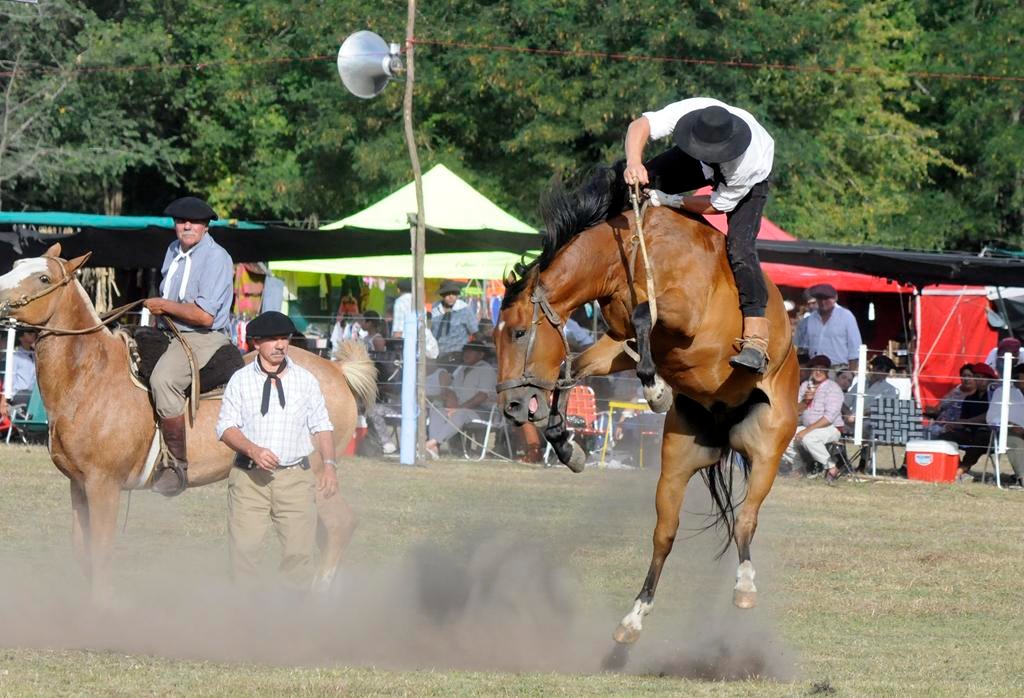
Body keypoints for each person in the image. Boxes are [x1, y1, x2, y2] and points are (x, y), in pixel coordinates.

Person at [623, 97, 774, 373]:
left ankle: (756, 337)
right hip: (700, 163)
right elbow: (640, 125)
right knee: (642, 182)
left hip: (748, 185)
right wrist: (634, 163)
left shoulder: (747, 164)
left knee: (739, 249)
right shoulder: (693, 112)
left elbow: (717, 204)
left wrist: (670, 200)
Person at [216, 311, 338, 591]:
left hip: (295, 478)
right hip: (249, 479)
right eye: (272, 339)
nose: (280, 345)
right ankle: (247, 620)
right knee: (244, 554)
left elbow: (322, 425)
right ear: (256, 343)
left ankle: (290, 621)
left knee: (299, 555)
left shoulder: (305, 381)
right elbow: (225, 427)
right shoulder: (240, 380)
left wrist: (330, 465)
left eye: (285, 338)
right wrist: (252, 449)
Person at [144, 196, 234, 496]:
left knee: (164, 380)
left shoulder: (216, 257)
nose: (187, 226)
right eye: (181, 221)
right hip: (170, 333)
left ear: (206, 226)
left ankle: (176, 466)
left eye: (194, 222)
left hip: (203, 336)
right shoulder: (173, 251)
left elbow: (205, 316)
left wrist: (163, 305)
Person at [424, 342, 497, 459]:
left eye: (470, 351)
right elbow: (451, 388)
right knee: (437, 411)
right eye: (465, 351)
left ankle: (431, 443)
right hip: (461, 409)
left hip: (483, 412)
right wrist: (450, 401)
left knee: (460, 414)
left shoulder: (486, 370)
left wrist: (459, 408)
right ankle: (434, 449)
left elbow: (482, 396)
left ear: (480, 355)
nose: (466, 354)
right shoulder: (461, 368)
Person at [783, 355, 844, 482]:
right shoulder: (805, 385)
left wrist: (807, 430)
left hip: (831, 428)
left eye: (821, 369)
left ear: (827, 370)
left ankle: (831, 467)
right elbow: (795, 412)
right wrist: (805, 401)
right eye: (815, 368)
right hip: (809, 426)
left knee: (808, 438)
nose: (818, 372)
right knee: (782, 436)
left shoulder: (833, 388)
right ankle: (798, 468)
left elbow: (829, 418)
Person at [943, 362, 997, 482]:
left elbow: (987, 416)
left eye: (984, 378)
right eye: (977, 377)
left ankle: (961, 470)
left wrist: (966, 421)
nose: (980, 381)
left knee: (981, 435)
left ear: (990, 380)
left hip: (990, 435)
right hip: (970, 432)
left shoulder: (995, 396)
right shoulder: (969, 398)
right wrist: (954, 425)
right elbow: (964, 420)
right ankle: (955, 466)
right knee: (945, 436)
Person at [793, 284, 862, 372]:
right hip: (815, 369)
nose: (823, 302)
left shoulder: (846, 316)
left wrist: (851, 374)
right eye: (820, 298)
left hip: (838, 369)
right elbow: (803, 349)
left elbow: (855, 349)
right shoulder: (810, 319)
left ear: (835, 298)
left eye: (826, 298)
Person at [986, 364, 1024, 486]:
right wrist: (1011, 425)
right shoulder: (1002, 392)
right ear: (1017, 378)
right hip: (1010, 432)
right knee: (1015, 441)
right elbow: (992, 418)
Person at [924, 363, 977, 439]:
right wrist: (931, 410)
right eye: (964, 376)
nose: (966, 379)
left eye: (969, 376)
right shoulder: (955, 391)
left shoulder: (977, 397)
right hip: (939, 424)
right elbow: (939, 408)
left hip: (956, 428)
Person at [430, 280, 478, 363]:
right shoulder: (434, 308)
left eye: (454, 293)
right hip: (436, 354)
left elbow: (475, 332)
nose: (451, 296)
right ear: (442, 295)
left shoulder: (465, 310)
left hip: (457, 356)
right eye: (447, 294)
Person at [8, 329, 37, 408]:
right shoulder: (16, 356)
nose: (33, 334)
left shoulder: (35, 355)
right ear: (21, 338)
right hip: (20, 393)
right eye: (30, 333)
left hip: (34, 393)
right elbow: (11, 378)